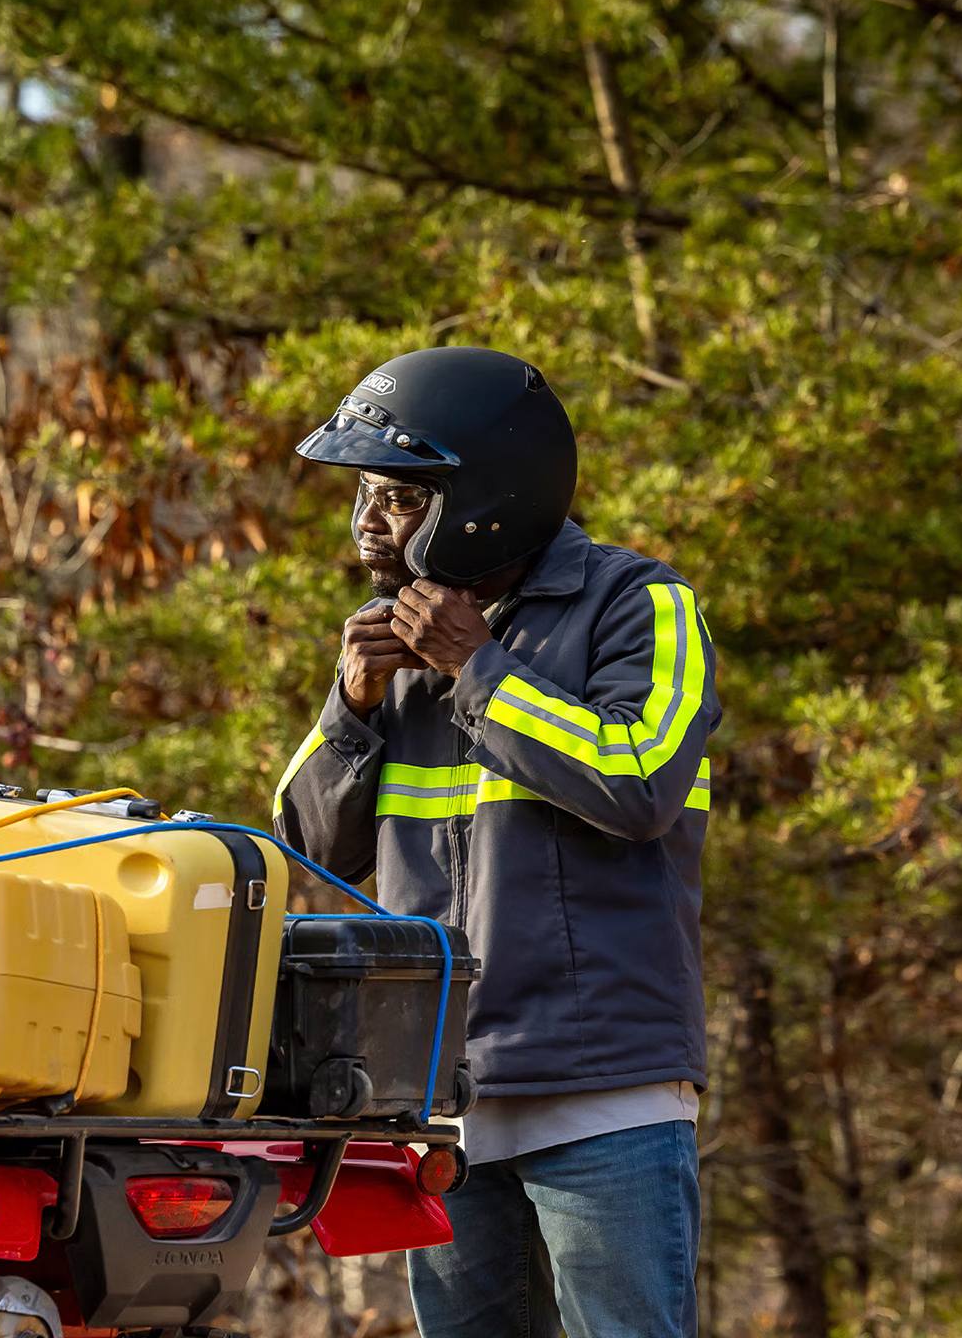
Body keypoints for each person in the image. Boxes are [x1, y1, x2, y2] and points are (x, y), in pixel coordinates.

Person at [272, 346, 720, 1338]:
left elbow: (637, 779)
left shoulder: (640, 606)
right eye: (364, 498)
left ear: (486, 498)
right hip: (444, 1102)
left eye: (397, 498)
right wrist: (352, 703)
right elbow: (301, 845)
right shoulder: (396, 641)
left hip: (605, 1095)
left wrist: (477, 668)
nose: (368, 523)